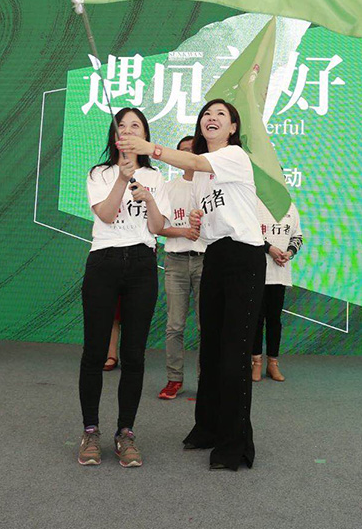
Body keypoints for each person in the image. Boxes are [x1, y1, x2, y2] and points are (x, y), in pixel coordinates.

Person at [118, 99, 263, 471]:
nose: (211, 118)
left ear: (233, 127)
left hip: (243, 259)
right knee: (210, 351)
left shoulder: (234, 156)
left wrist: (149, 148)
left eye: (220, 115)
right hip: (214, 255)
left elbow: (196, 162)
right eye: (206, 114)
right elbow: (209, 208)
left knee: (233, 353)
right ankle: (208, 428)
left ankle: (235, 445)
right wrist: (199, 219)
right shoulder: (200, 177)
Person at [77, 107, 171, 468]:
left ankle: (125, 433)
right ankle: (90, 431)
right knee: (95, 351)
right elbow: (105, 214)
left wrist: (148, 198)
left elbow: (158, 227)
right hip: (104, 261)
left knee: (134, 354)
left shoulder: (155, 176)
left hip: (143, 264)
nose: (129, 131)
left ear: (144, 135)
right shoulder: (99, 173)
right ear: (115, 137)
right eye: (123, 126)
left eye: (136, 126)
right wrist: (121, 179)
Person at [157, 136, 204, 400]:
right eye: (183, 151)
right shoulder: (168, 188)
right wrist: (184, 232)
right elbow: (157, 227)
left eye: (193, 151)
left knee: (206, 325)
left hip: (206, 261)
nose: (188, 155)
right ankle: (174, 379)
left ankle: (205, 383)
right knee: (174, 325)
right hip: (175, 261)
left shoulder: (211, 187)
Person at [253, 199, 302, 382]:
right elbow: (248, 234)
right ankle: (256, 362)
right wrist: (270, 249)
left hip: (279, 274)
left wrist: (289, 253)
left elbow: (297, 237)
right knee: (256, 319)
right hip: (257, 272)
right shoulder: (254, 203)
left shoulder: (289, 206)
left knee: (274, 320)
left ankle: (273, 363)